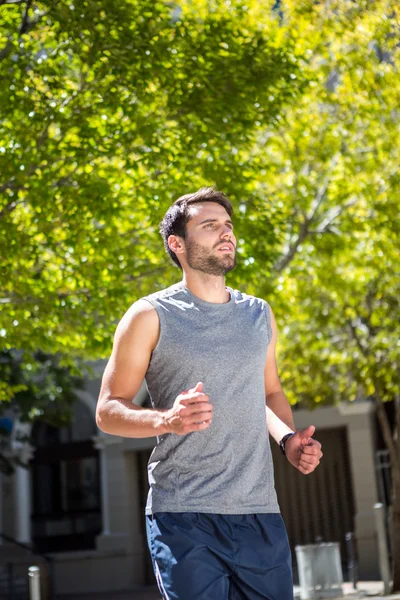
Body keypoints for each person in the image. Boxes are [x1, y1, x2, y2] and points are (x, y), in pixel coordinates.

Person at [96, 187, 323, 600]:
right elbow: (107, 411)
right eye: (210, 225)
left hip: (258, 511)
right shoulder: (149, 315)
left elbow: (268, 393)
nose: (226, 233)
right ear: (177, 244)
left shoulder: (259, 314)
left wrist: (288, 440)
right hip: (183, 515)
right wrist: (165, 420)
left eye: (229, 225)